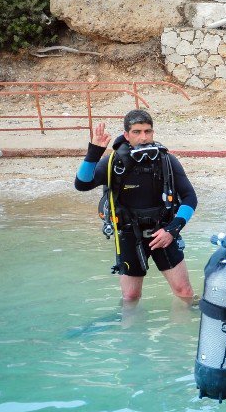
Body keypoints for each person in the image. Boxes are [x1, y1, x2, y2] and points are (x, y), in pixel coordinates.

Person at [74, 109, 196, 303]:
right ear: (126, 135)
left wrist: (172, 230)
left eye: (148, 131)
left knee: (184, 292)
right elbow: (82, 184)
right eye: (137, 132)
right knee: (131, 297)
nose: (143, 137)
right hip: (129, 234)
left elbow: (190, 198)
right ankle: (130, 332)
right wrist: (93, 153)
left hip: (163, 233)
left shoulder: (166, 161)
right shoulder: (114, 162)